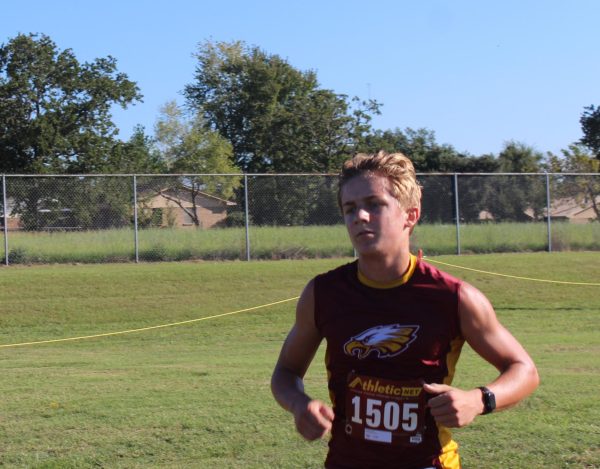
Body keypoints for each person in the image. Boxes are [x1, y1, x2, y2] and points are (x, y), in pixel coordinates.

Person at [271, 150, 539, 469]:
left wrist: (478, 400)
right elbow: (285, 372)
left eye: (374, 204)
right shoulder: (323, 293)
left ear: (410, 215)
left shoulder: (455, 297)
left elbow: (524, 369)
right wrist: (299, 404)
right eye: (350, 208)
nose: (360, 216)